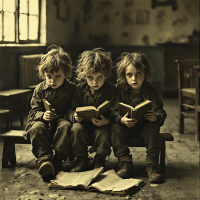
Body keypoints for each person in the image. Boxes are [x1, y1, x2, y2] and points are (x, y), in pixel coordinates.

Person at [111, 52, 167, 183]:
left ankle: (152, 164)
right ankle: (125, 162)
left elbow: (161, 111)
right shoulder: (118, 90)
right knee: (114, 128)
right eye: (129, 75)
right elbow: (112, 111)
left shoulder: (152, 91)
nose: (134, 79)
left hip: (144, 127)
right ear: (124, 75)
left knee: (153, 129)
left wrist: (156, 117)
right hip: (125, 127)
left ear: (146, 74)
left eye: (138, 74)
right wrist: (121, 120)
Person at [24, 45, 76, 180]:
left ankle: (58, 161)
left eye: (58, 76)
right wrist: (42, 115)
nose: (52, 81)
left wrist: (67, 117)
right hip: (42, 122)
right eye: (49, 76)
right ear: (44, 74)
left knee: (65, 127)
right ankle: (44, 161)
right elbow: (34, 110)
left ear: (66, 74)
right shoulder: (40, 89)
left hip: (62, 121)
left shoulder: (72, 89)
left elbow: (74, 108)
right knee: (35, 128)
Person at [68, 48, 116, 172]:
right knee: (75, 129)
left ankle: (99, 160)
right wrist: (75, 117)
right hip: (83, 125)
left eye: (99, 77)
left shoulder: (111, 90)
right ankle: (81, 159)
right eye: (90, 77)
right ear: (84, 75)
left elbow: (116, 111)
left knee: (104, 133)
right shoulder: (79, 89)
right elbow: (71, 110)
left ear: (106, 75)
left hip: (102, 126)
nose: (95, 82)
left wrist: (107, 121)